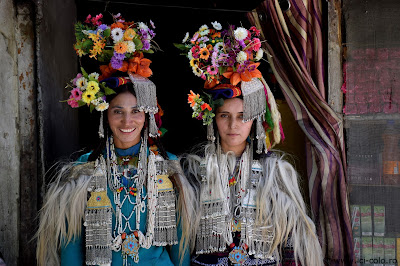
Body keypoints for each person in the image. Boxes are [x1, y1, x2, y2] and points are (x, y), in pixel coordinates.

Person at [36, 13, 193, 266]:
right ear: (104, 116)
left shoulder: (168, 168)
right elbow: (71, 247)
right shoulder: (83, 172)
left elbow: (180, 247)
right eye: (117, 111)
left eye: (136, 112)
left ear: (148, 115)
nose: (127, 122)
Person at [176, 23, 324, 265]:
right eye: (225, 116)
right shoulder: (193, 171)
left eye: (243, 116)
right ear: (213, 120)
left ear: (254, 121)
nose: (234, 125)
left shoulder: (275, 171)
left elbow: (294, 239)